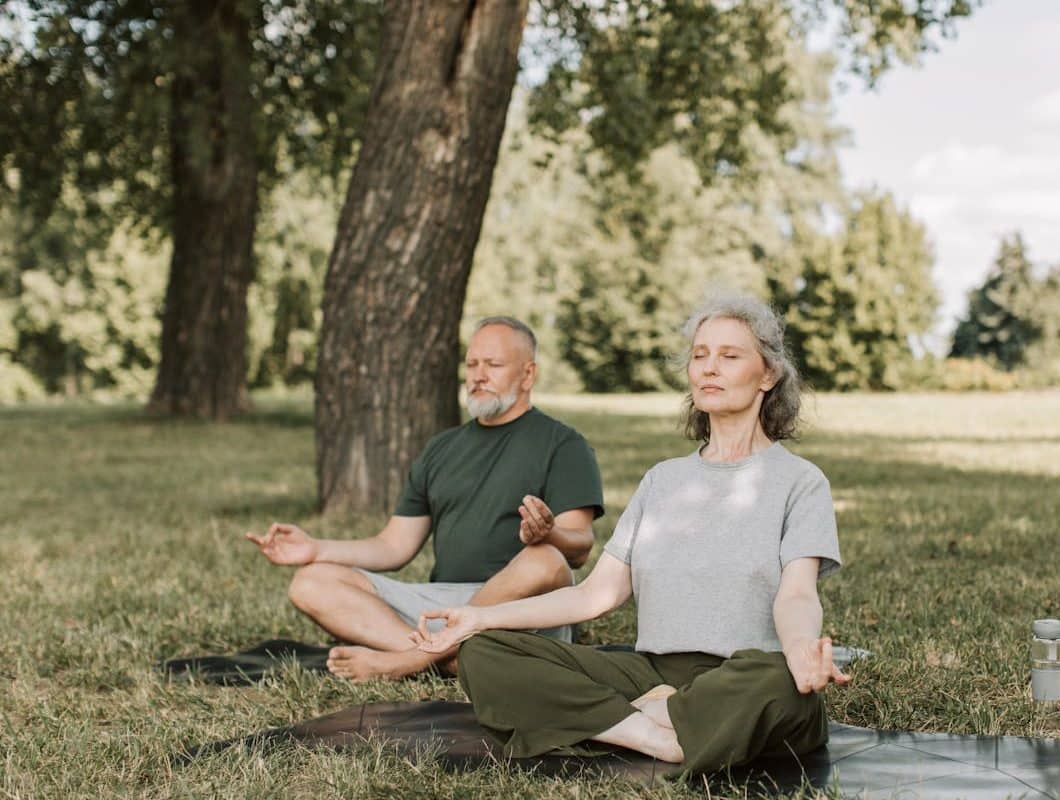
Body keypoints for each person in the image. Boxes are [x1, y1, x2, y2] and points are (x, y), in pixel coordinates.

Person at [412, 293, 847, 774]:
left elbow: (798, 595)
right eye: (699, 355)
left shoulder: (800, 482)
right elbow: (594, 595)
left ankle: (629, 719)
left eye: (729, 356)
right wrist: (479, 619)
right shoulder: (662, 480)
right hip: (653, 674)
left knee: (784, 685)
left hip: (743, 674)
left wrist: (802, 649)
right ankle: (655, 735)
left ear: (768, 374)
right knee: (485, 652)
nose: (709, 368)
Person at [245, 317, 605, 681]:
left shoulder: (564, 444)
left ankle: (407, 662)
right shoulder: (443, 448)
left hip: (520, 608)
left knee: (544, 559)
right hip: (442, 608)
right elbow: (393, 546)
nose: (478, 376)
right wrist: (315, 549)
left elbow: (578, 550)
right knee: (311, 582)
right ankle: (450, 661)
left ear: (527, 375)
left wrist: (550, 534)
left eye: (493, 365)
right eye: (471, 364)